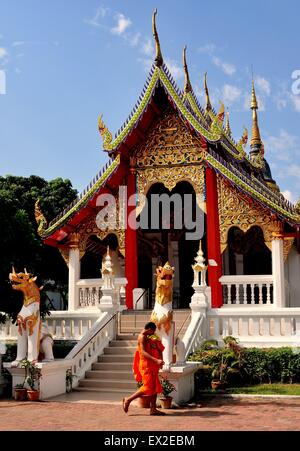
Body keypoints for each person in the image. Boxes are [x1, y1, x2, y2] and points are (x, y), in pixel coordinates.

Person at [122, 321, 166, 415]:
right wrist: (156, 360)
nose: (154, 333)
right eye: (153, 331)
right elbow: (143, 352)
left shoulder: (147, 337)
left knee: (154, 387)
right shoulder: (142, 337)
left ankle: (153, 409)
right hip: (146, 365)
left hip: (151, 365)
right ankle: (128, 400)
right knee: (147, 387)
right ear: (149, 329)